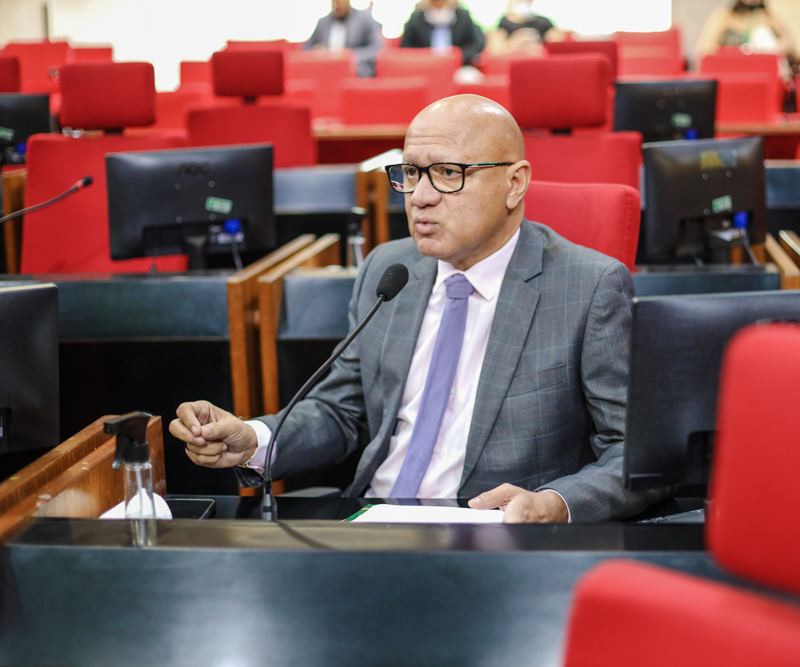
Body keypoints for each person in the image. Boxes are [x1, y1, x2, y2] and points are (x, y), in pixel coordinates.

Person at [171, 95, 668, 523]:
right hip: (372, 520)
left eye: (448, 174)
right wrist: (255, 440)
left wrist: (554, 504)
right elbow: (341, 411)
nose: (421, 198)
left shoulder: (588, 286)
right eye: (411, 173)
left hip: (494, 536)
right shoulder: (389, 268)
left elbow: (637, 455)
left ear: (515, 184)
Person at [696, 0, 800, 73]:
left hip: (762, 72)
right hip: (732, 72)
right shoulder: (724, 17)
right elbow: (705, 49)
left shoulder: (769, 18)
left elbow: (792, 48)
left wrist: (774, 48)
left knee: (761, 33)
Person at [302, 0, 384, 78]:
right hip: (325, 70)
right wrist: (315, 51)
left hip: (355, 71)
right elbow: (305, 49)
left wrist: (349, 55)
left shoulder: (365, 19)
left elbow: (376, 48)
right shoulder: (322, 22)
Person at [400, 0, 485, 67]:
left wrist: (457, 55)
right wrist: (424, 55)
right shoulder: (416, 19)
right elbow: (405, 47)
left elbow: (476, 44)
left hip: (458, 65)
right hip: (425, 66)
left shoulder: (463, 17)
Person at [486, 0, 565, 58]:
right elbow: (495, 51)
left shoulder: (543, 22)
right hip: (514, 58)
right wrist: (515, 42)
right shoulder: (505, 23)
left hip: (538, 58)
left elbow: (558, 44)